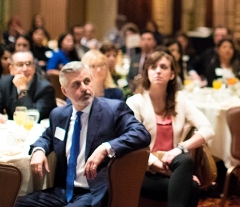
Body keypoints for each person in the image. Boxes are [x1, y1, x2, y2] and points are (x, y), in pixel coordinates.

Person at [15, 61, 151, 207]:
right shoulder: (59, 115)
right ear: (65, 91)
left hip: (93, 192)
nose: (84, 88)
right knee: (16, 203)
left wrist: (105, 148)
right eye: (76, 84)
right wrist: (38, 150)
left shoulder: (113, 110)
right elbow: (47, 136)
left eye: (87, 81)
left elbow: (141, 133)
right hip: (63, 191)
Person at [126, 51, 214, 207]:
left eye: (163, 67)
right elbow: (134, 145)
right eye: (153, 67)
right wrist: (167, 170)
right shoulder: (135, 102)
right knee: (191, 186)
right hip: (143, 170)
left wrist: (181, 147)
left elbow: (208, 129)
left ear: (172, 74)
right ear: (147, 72)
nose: (158, 70)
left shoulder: (180, 100)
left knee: (184, 158)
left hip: (173, 166)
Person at [0, 50, 56, 123]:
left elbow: (32, 118)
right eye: (20, 64)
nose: (25, 69)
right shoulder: (4, 82)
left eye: (28, 64)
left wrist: (22, 90)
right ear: (11, 69)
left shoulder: (46, 88)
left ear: (34, 67)